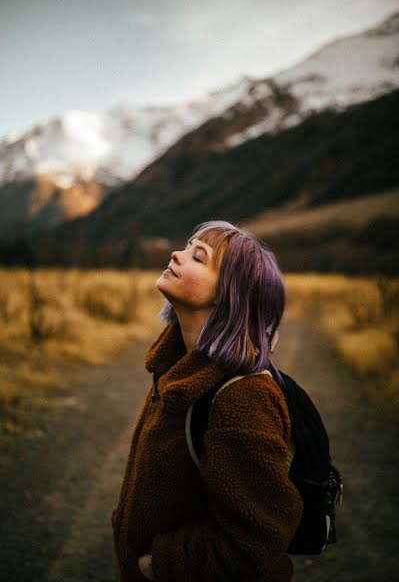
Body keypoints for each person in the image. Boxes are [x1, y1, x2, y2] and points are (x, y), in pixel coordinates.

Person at [111, 220, 303, 581]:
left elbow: (257, 540)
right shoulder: (176, 370)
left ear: (230, 293)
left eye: (198, 258)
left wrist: (159, 566)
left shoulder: (243, 398)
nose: (176, 255)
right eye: (186, 246)